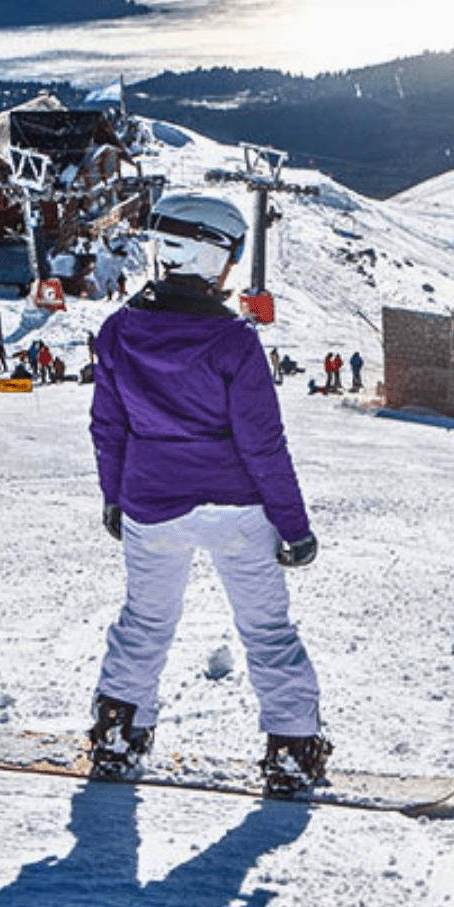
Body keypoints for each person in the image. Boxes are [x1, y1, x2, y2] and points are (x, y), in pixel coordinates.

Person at [88, 191, 330, 795]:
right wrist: (294, 529)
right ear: (209, 255)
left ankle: (118, 735)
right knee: (266, 630)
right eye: (230, 256)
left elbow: (108, 427)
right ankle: (292, 751)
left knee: (144, 621)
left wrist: (114, 497)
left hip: (150, 504)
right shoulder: (233, 342)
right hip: (235, 511)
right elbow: (263, 446)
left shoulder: (119, 330)